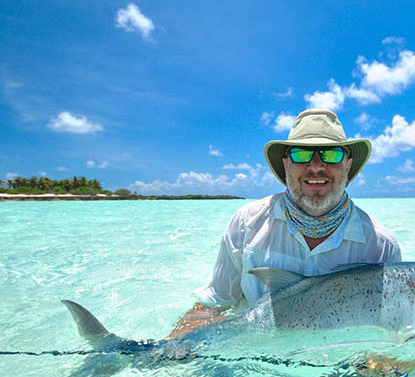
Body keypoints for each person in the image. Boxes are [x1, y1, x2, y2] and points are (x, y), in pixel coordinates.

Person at [169, 109, 401, 338]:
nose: (316, 166)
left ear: (348, 165)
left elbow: (393, 327)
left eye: (331, 154)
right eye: (301, 154)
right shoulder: (247, 223)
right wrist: (172, 346)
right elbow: (214, 304)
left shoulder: (381, 246)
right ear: (285, 164)